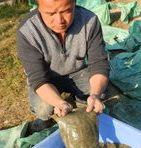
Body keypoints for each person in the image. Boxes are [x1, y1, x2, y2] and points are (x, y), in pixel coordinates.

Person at [17, 0, 109, 130]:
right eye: (50, 13)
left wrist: (95, 95)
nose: (59, 20)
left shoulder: (90, 21)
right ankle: (45, 119)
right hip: (47, 78)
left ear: (75, 4)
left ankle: (84, 104)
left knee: (100, 92)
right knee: (43, 108)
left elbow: (99, 63)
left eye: (67, 11)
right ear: (39, 7)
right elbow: (37, 78)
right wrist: (59, 102)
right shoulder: (27, 31)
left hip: (78, 71)